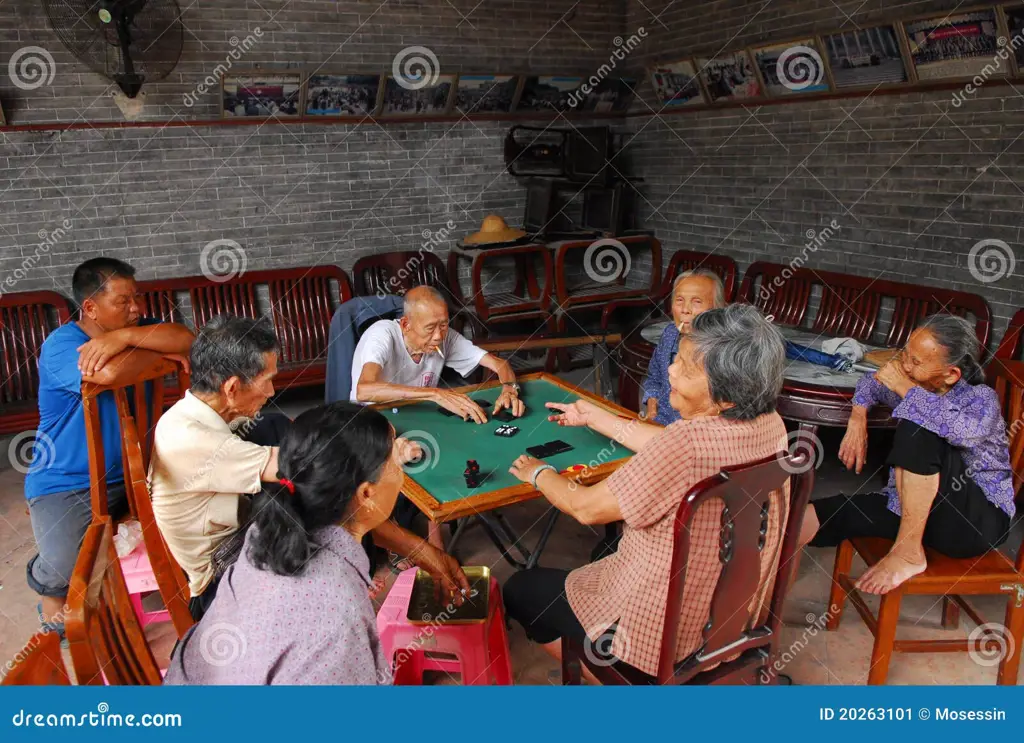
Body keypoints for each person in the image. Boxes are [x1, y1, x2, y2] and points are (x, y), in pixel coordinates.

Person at [503, 305, 790, 678]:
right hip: (730, 621)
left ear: (727, 396)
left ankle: (624, 682)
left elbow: (586, 507)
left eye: (686, 369)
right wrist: (599, 418)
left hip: (663, 635)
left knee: (522, 590)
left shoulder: (686, 443)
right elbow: (676, 443)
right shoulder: (773, 425)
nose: (670, 370)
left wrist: (537, 472)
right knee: (605, 551)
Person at [149, 314, 468, 621]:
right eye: (267, 381)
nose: (273, 391)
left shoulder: (200, 414)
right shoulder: (190, 438)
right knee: (330, 483)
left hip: (246, 537)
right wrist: (382, 451)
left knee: (278, 430)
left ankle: (396, 552)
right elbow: (311, 464)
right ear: (232, 388)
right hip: (221, 584)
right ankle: (355, 581)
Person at [165, 402, 446, 685]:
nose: (401, 470)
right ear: (367, 493)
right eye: (394, 461)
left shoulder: (265, 532)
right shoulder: (338, 613)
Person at [25, 257, 194, 639]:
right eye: (124, 301)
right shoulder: (61, 345)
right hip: (67, 482)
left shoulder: (134, 329)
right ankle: (45, 570)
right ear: (90, 308)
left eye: (137, 298)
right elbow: (110, 374)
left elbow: (187, 340)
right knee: (72, 569)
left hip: (139, 474)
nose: (137, 309)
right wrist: (154, 353)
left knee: (198, 517)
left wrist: (122, 337)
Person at [799, 314, 1015, 594]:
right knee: (812, 515)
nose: (905, 367)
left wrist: (903, 387)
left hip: (975, 523)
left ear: (951, 374)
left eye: (916, 362)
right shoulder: (921, 384)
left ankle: (908, 553)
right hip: (913, 512)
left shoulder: (980, 398)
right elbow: (871, 381)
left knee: (919, 427)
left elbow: (963, 431)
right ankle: (761, 610)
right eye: (905, 356)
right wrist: (858, 416)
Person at [351, 285, 525, 422]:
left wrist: (509, 388)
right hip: (372, 418)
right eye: (429, 328)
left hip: (416, 413)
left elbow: (498, 364)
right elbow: (364, 390)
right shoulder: (381, 335)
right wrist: (435, 394)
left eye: (443, 325)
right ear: (406, 325)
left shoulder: (446, 336)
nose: (438, 336)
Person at [641, 268, 726, 425]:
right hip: (661, 425)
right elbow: (654, 377)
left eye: (697, 302)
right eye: (679, 300)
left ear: (716, 309)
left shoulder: (723, 351)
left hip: (699, 435)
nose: (685, 310)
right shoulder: (669, 334)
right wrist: (652, 405)